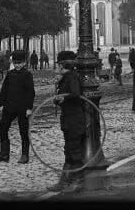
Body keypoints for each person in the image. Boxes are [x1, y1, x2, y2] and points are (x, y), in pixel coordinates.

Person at [0, 49, 35, 164]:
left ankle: (25, 155)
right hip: (9, 107)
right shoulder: (10, 74)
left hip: (23, 108)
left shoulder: (27, 75)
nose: (17, 65)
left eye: (19, 63)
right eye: (15, 63)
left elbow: (31, 92)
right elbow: (4, 90)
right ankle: (4, 154)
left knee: (23, 131)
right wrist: (1, 104)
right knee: (2, 128)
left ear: (24, 62)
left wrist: (29, 108)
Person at [50, 50, 85, 191]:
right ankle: (65, 181)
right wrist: (58, 99)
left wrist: (64, 97)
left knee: (74, 150)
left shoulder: (72, 77)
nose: (59, 68)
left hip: (74, 119)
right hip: (68, 118)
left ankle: (78, 182)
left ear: (62, 65)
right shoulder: (66, 78)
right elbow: (68, 96)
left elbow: (75, 94)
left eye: (60, 65)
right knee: (69, 150)